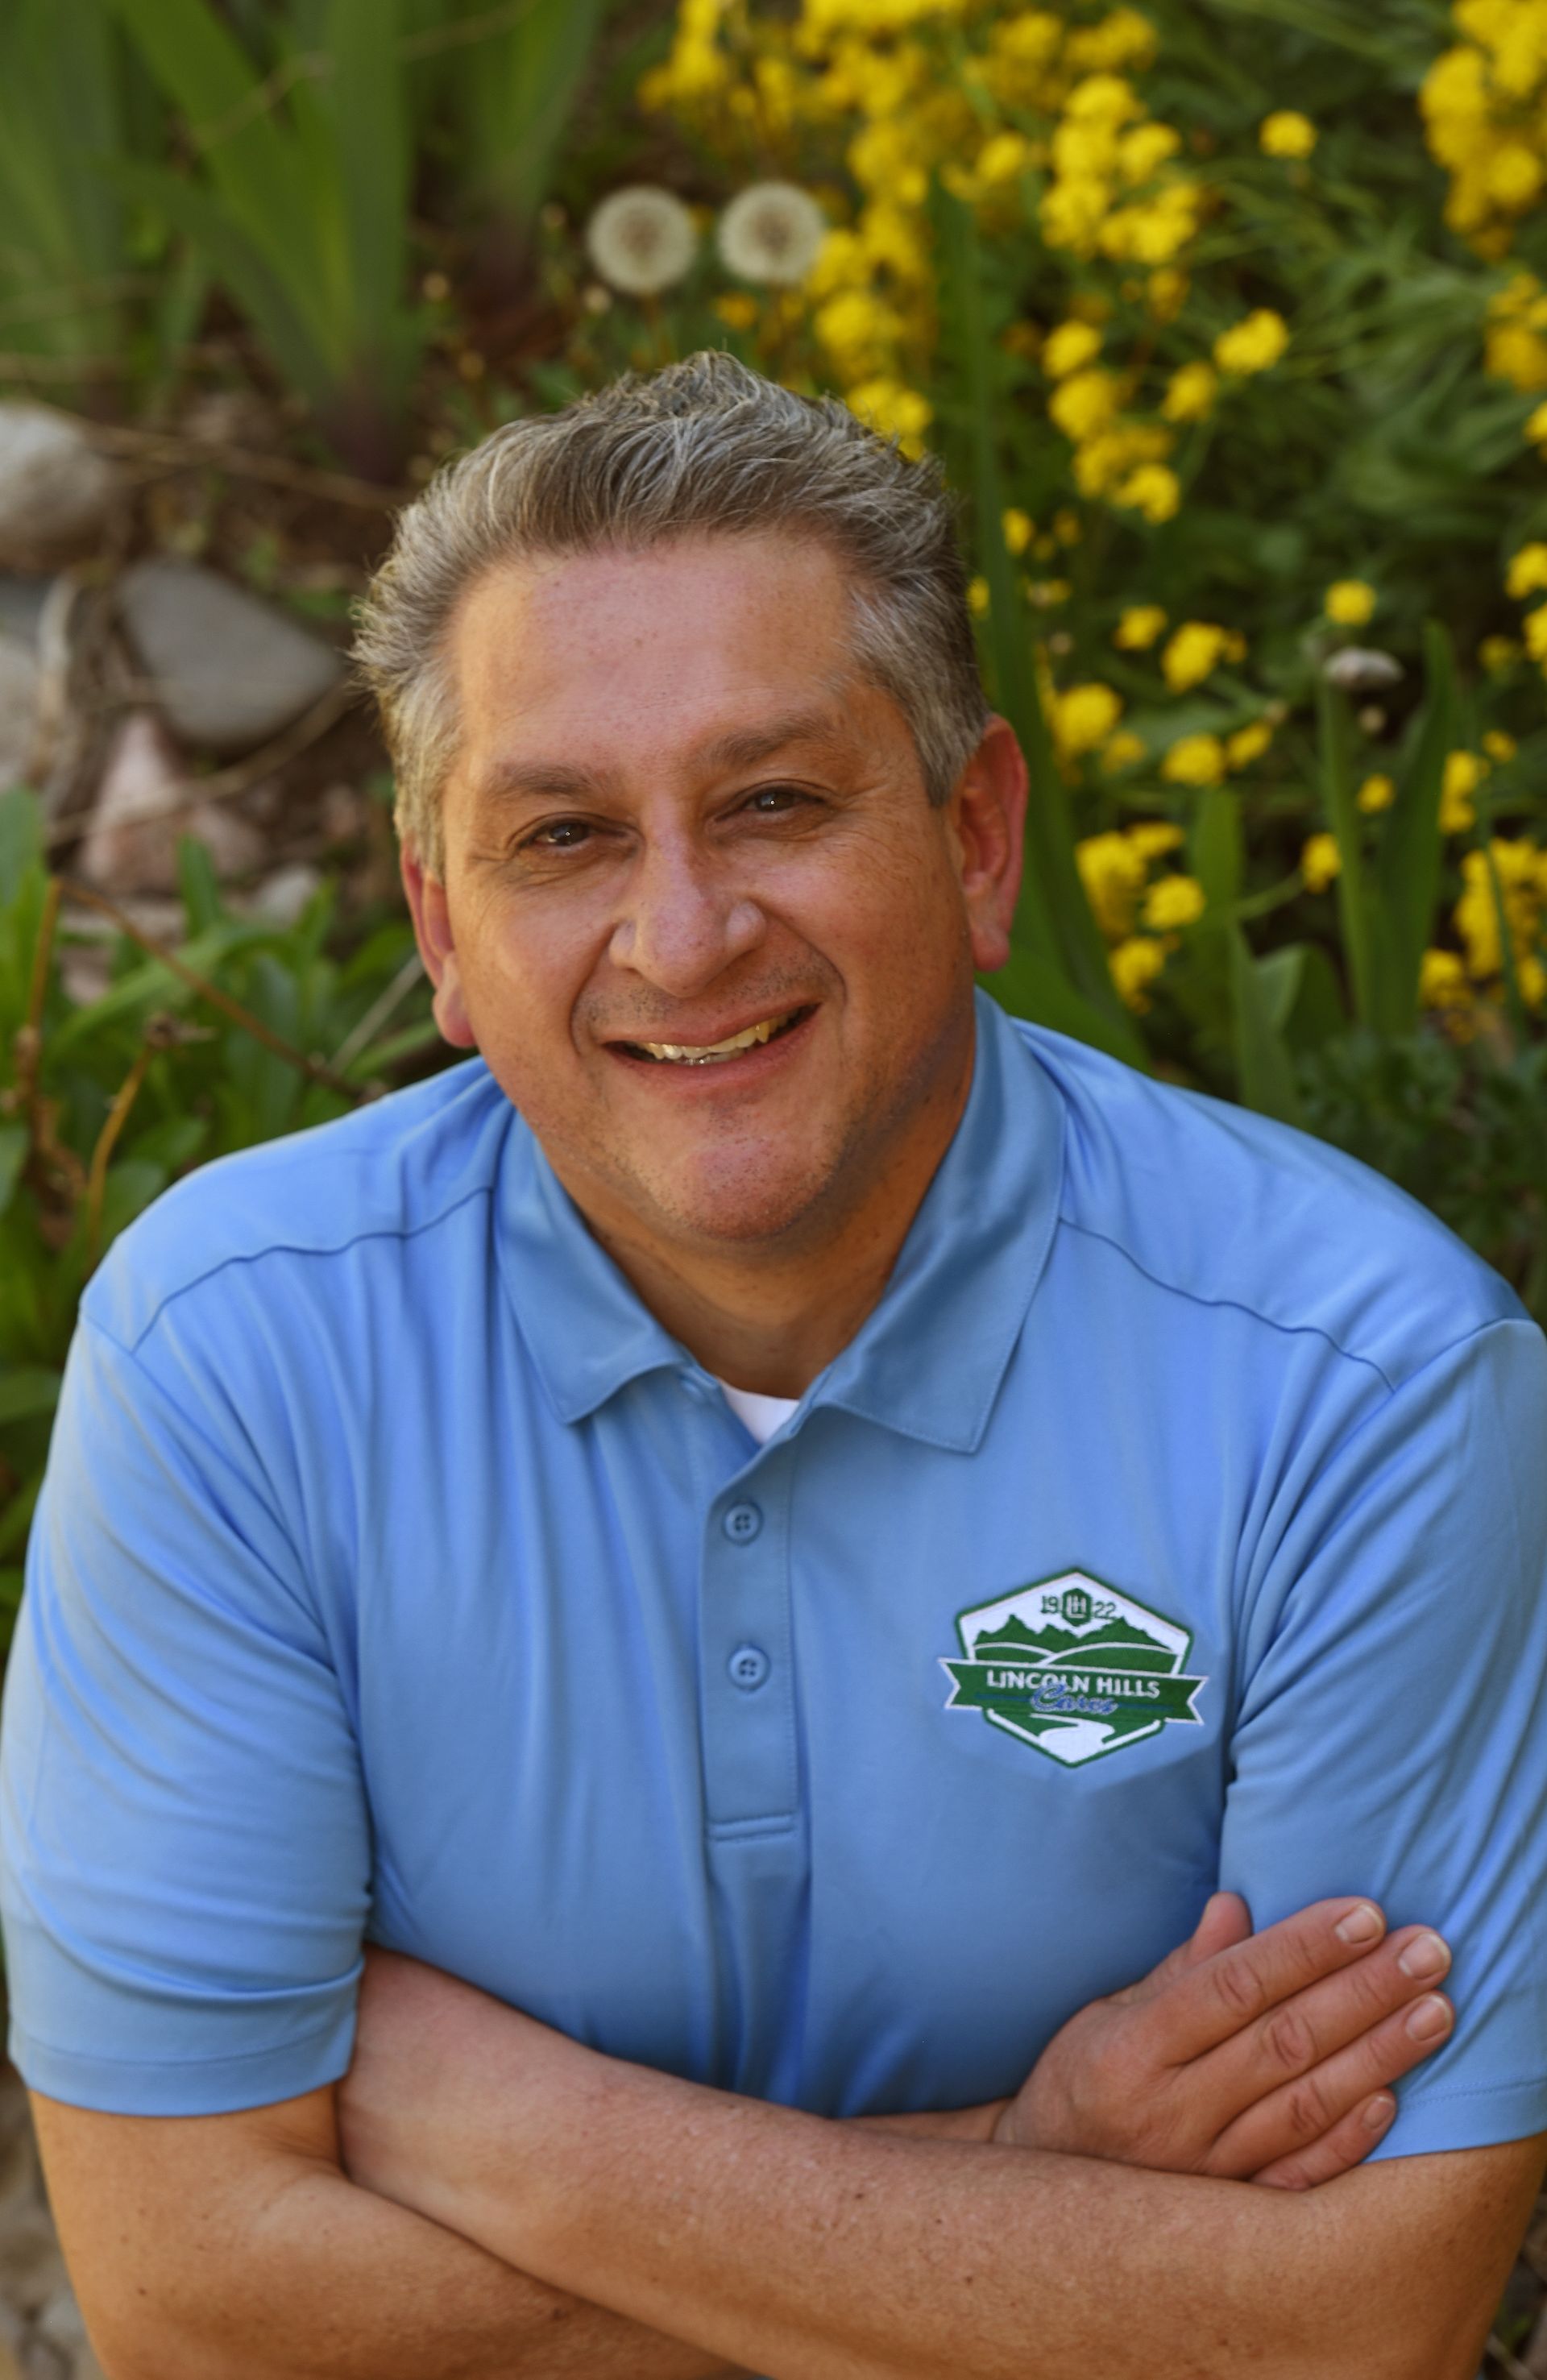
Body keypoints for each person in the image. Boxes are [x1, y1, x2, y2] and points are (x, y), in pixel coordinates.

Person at [3, 352, 1545, 2380]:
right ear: (441, 931)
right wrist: (1030, 2166)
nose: (684, 929)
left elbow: (1358, 2320)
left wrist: (500, 2128)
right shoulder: (234, 1360)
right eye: (559, 835)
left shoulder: (1367, 1382)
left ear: (977, 834)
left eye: (774, 800)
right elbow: (194, 2303)